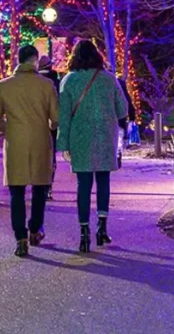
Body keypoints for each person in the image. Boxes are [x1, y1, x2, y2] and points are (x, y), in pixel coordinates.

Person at [58, 40, 129, 253]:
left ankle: (83, 233)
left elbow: (63, 116)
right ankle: (102, 227)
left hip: (80, 136)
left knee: (83, 184)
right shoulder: (109, 79)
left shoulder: (69, 80)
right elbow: (123, 109)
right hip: (105, 135)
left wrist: (63, 144)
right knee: (104, 180)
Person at [0, 45, 59, 257]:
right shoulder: (46, 85)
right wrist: (49, 127)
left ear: (18, 60)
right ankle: (35, 229)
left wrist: (9, 128)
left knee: (16, 192)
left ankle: (20, 236)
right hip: (39, 141)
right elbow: (56, 119)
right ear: (35, 61)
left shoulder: (4, 85)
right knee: (39, 189)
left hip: (15, 142)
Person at [37, 55, 61, 199]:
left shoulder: (33, 82)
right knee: (50, 155)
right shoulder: (57, 82)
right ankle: (48, 186)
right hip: (52, 124)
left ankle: (37, 184)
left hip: (35, 123)